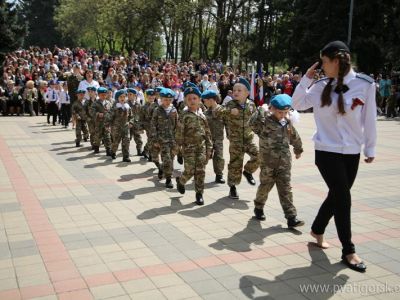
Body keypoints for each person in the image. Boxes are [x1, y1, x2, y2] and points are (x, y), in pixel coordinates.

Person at [292, 40, 377, 273]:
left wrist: (370, 148)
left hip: (351, 152)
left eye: (325, 62)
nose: (321, 66)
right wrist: (306, 79)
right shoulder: (319, 86)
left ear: (337, 61)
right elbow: (296, 104)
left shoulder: (365, 85)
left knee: (338, 195)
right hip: (326, 151)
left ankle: (317, 228)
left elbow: (369, 119)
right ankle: (348, 250)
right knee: (343, 198)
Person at [249, 94, 304, 227]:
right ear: (272, 109)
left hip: (284, 162)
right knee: (265, 186)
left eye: (285, 112)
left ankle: (291, 217)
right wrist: (259, 111)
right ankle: (259, 207)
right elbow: (252, 124)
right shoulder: (264, 122)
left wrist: (298, 149)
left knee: (286, 188)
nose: (282, 115)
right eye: (280, 112)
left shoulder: (287, 122)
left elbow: (294, 136)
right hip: (268, 162)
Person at [214, 78, 259, 199]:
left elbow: (256, 120)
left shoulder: (251, 105)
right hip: (235, 140)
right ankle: (233, 187)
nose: (236, 92)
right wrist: (229, 111)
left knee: (259, 155)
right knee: (235, 164)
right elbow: (217, 111)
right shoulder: (230, 104)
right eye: (234, 90)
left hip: (248, 139)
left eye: (239, 90)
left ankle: (248, 171)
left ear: (247, 93)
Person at [176, 86, 212, 205]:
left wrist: (209, 149)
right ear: (186, 101)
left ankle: (199, 194)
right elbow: (179, 133)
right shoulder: (184, 115)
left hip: (201, 148)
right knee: (190, 170)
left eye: (195, 98)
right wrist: (178, 151)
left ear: (199, 100)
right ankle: (181, 181)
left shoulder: (202, 115)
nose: (192, 100)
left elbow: (207, 133)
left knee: (200, 171)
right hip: (188, 148)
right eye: (189, 99)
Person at [150, 88, 179, 188]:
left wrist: (178, 138)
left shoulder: (174, 110)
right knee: (167, 158)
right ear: (161, 99)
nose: (167, 102)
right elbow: (153, 126)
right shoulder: (157, 110)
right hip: (161, 139)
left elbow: (177, 125)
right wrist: (155, 140)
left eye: (170, 100)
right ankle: (168, 179)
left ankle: (162, 168)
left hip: (172, 139)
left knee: (171, 158)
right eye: (165, 99)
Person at [202, 90, 226, 183]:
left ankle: (219, 175)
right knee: (204, 156)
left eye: (205, 100)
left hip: (219, 138)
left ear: (211, 100)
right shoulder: (205, 113)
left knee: (219, 156)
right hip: (207, 139)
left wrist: (230, 135)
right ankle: (199, 173)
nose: (204, 102)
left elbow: (228, 123)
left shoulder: (222, 110)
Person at [107, 89, 132, 162]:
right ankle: (113, 151)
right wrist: (107, 125)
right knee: (116, 142)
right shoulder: (115, 107)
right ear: (117, 98)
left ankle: (126, 157)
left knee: (126, 142)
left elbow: (131, 116)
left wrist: (131, 122)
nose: (122, 98)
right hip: (116, 128)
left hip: (125, 127)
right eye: (121, 97)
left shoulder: (127, 107)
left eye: (124, 97)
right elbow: (109, 117)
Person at [91, 87, 112, 155]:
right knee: (98, 136)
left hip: (106, 123)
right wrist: (97, 114)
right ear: (99, 95)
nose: (104, 96)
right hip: (98, 123)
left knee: (107, 137)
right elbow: (92, 112)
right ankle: (96, 147)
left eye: (105, 94)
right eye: (102, 94)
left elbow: (111, 112)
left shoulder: (108, 103)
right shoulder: (95, 103)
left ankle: (108, 150)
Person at [126, 88, 143, 156]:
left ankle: (139, 151)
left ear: (135, 96)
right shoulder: (126, 103)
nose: (129, 96)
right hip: (128, 124)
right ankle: (126, 152)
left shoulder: (138, 104)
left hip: (136, 124)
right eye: (128, 94)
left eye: (131, 94)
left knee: (138, 138)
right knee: (127, 139)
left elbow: (141, 114)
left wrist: (141, 126)